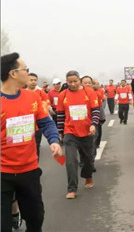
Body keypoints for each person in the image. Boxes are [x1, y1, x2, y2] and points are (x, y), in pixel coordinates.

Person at [1, 52, 63, 232]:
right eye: (25, 69)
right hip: (2, 172)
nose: (28, 73)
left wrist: (54, 141)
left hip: (29, 170)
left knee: (36, 219)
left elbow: (45, 122)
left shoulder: (33, 97)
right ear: (13, 73)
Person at [57, 70, 100, 199]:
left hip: (87, 131)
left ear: (80, 80)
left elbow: (95, 110)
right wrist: (60, 132)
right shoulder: (63, 95)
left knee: (87, 159)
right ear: (66, 82)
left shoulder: (89, 92)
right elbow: (60, 115)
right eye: (70, 82)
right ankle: (72, 189)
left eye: (75, 81)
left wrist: (93, 124)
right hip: (70, 132)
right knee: (70, 161)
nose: (73, 84)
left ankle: (88, 176)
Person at [26, 72, 51, 160]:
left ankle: (35, 164)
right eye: (31, 80)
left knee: (36, 145)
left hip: (38, 124)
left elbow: (46, 104)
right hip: (26, 124)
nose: (33, 82)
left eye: (35, 80)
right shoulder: (21, 92)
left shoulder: (40, 93)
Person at [92, 79, 106, 150]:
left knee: (99, 128)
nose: (97, 85)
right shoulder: (90, 92)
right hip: (92, 112)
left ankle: (97, 143)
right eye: (95, 84)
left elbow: (103, 100)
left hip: (99, 110)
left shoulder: (100, 91)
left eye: (98, 84)